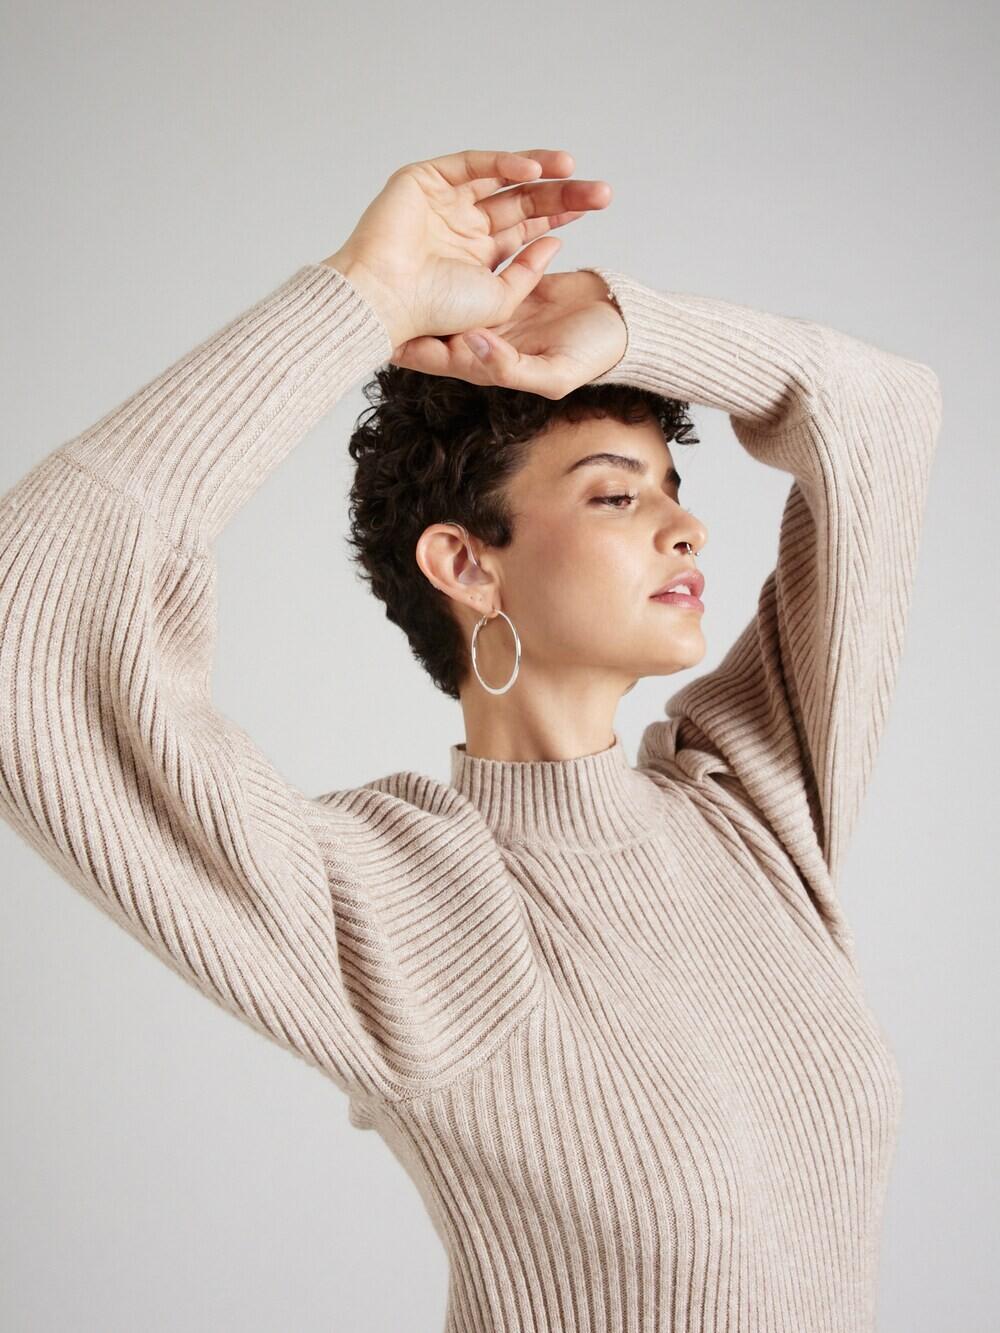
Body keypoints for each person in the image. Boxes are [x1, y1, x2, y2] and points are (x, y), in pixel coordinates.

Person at [0, 147, 941, 1332]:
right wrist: (362, 298)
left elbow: (881, 413)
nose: (687, 527)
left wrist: (619, 324)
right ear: (465, 563)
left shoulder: (750, 812)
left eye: (670, 485)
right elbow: (24, 627)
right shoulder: (409, 906)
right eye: (616, 493)